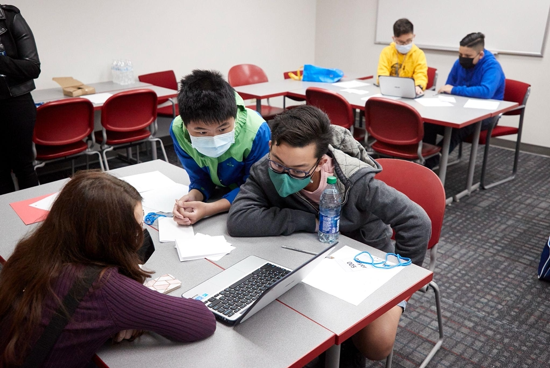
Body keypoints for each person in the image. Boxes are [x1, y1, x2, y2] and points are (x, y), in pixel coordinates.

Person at [227, 106, 431, 364]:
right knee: (278, 326)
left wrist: (401, 283)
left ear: (323, 160)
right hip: (311, 258)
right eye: (278, 164)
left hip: (366, 260)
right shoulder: (265, 168)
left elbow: (417, 222)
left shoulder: (357, 182)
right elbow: (239, 219)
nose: (285, 176)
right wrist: (309, 221)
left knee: (375, 345)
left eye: (299, 170)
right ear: (270, 147)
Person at [0, 171, 216, 368]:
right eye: (138, 226)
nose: (142, 233)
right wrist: (133, 314)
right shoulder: (103, 287)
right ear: (110, 236)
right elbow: (201, 321)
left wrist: (121, 318)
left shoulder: (36, 250)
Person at [170, 70, 270, 225]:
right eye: (201, 132)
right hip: (222, 196)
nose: (214, 139)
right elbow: (199, 177)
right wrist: (193, 196)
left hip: (248, 202)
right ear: (185, 123)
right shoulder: (178, 130)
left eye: (223, 129)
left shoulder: (256, 131)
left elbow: (256, 187)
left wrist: (209, 209)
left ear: (234, 116)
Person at [423, 32, 505, 169]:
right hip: (459, 109)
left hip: (486, 115)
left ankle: (430, 164)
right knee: (428, 124)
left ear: (481, 55)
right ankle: (427, 157)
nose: (463, 58)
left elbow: (486, 91)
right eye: (460, 54)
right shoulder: (459, 63)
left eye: (467, 56)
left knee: (459, 128)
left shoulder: (492, 66)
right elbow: (448, 87)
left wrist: (454, 90)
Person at [0, 4, 40, 194]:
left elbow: (33, 67)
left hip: (15, 102)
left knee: (23, 166)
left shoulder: (10, 18)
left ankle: (33, 221)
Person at [377, 18, 428, 96]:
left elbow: (421, 75)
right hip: (389, 93)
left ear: (413, 36)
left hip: (409, 93)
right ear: (393, 39)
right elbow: (382, 74)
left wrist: (419, 86)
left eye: (408, 41)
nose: (405, 44)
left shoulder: (419, 54)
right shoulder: (386, 52)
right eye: (401, 42)